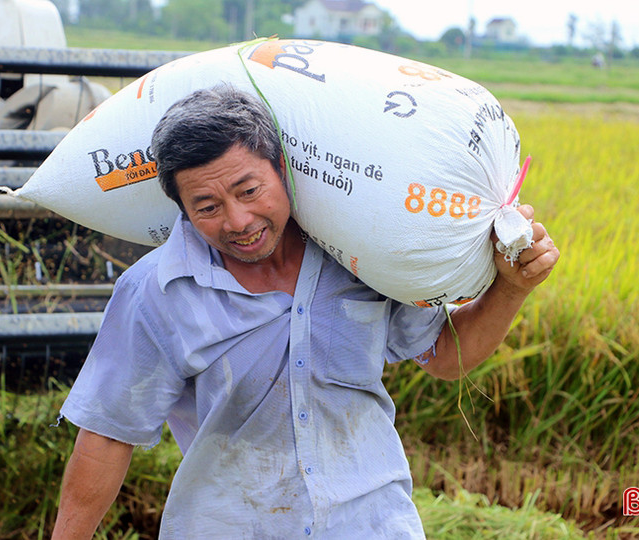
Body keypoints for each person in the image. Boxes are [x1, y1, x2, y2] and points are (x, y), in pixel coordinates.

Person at [51, 85, 559, 539]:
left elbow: (445, 357)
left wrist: (510, 288)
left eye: (250, 191)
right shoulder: (156, 291)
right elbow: (107, 432)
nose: (238, 220)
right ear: (183, 210)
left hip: (371, 523)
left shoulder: (362, 254)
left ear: (283, 169)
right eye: (207, 206)